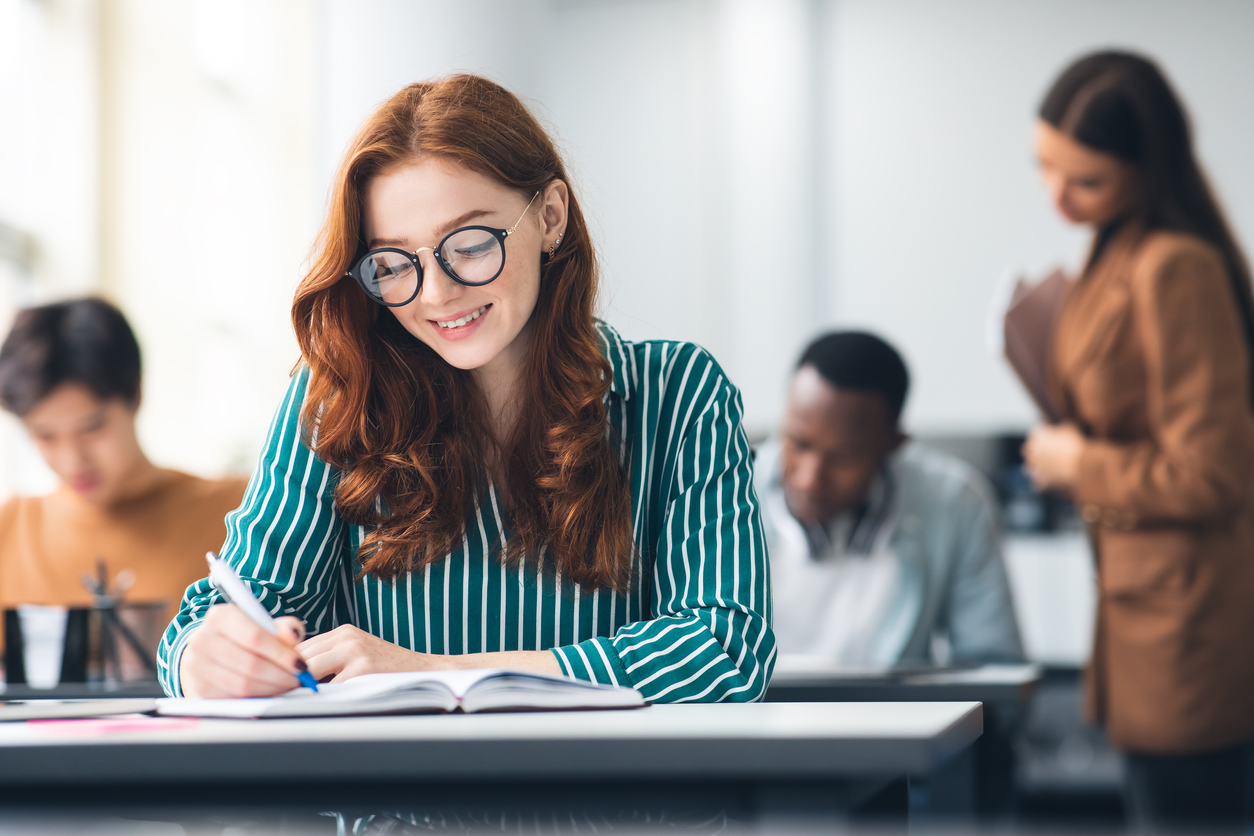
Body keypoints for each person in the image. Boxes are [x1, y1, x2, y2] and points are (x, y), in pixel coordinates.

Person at [158, 74, 773, 703]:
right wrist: (203, 659)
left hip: (613, 800)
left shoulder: (680, 394)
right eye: (394, 264)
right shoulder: (338, 400)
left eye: (472, 244)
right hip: (386, 802)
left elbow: (724, 650)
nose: (437, 294)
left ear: (551, 218)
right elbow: (217, 618)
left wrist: (442, 673)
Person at [1022, 51, 1254, 829]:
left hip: (1188, 625)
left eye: (1084, 181)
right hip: (1139, 613)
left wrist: (1074, 462)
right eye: (1045, 167)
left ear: (1148, 171)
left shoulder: (1175, 268)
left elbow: (1212, 473)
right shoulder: (1112, 249)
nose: (1057, 197)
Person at [756, 331, 1023, 668]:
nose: (810, 479)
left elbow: (999, 676)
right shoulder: (715, 495)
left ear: (893, 445)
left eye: (843, 457)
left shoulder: (954, 504)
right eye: (798, 443)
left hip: (894, 720)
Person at [0, 298, 247, 651]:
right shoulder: (10, 528)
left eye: (92, 428)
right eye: (45, 436)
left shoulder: (240, 511)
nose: (72, 460)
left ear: (135, 394)